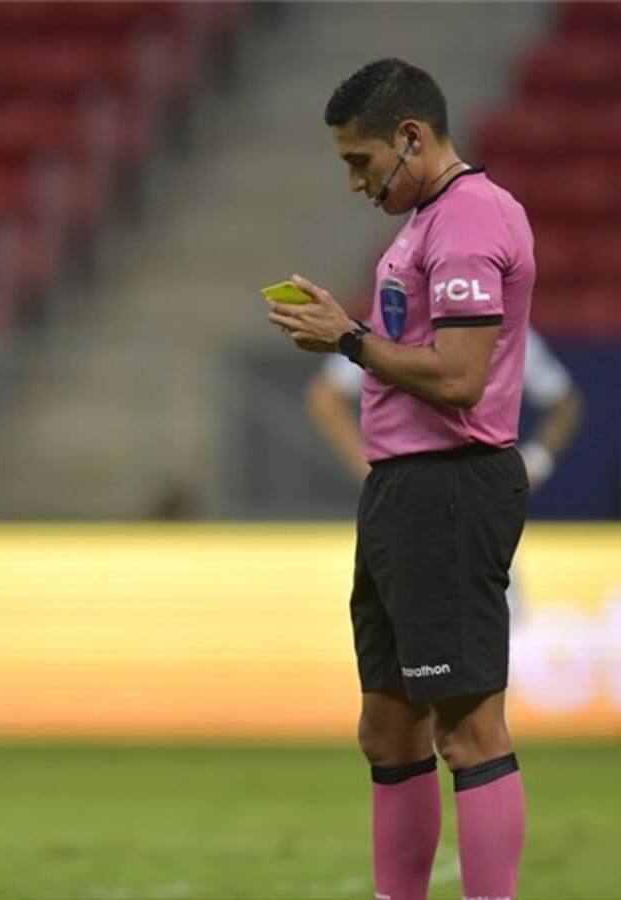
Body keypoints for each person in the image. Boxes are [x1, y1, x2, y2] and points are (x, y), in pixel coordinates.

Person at [267, 60, 533, 899]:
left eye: (361, 161)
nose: (355, 181)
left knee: (469, 732)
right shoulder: (421, 227)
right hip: (401, 492)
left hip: (450, 489)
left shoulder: (468, 219)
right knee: (387, 730)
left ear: (411, 138)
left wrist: (348, 340)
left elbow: (459, 378)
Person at [307, 326, 583, 619]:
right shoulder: (393, 324)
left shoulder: (504, 328)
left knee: (495, 631)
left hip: (480, 510)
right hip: (410, 511)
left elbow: (565, 403)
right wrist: (376, 472)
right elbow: (326, 397)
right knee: (411, 631)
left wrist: (535, 462)